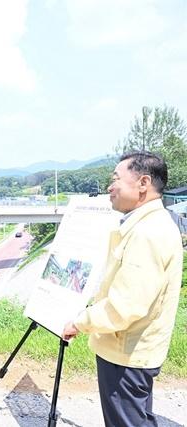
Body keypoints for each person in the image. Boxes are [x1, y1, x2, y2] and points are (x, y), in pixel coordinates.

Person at [63, 151, 183, 427]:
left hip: (127, 352)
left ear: (143, 183)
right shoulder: (148, 224)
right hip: (129, 347)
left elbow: (124, 305)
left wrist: (80, 322)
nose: (110, 186)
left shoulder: (147, 232)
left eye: (116, 178)